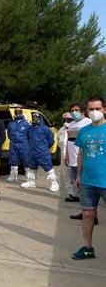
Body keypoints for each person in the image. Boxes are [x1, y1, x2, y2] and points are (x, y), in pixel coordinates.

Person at [71, 96, 106, 260]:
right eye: (91, 109)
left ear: (104, 109)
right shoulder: (84, 131)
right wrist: (78, 175)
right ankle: (87, 248)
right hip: (87, 181)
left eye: (97, 109)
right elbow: (81, 154)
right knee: (87, 214)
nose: (94, 112)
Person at [21, 112, 59, 192]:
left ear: (40, 118)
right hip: (32, 152)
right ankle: (31, 182)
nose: (35, 119)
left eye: (37, 117)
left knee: (48, 167)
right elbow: (28, 138)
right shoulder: (30, 129)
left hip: (42, 152)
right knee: (31, 168)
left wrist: (44, 147)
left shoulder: (45, 129)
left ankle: (54, 183)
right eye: (33, 117)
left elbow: (51, 141)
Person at [64, 103, 92, 202]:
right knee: (75, 178)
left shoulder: (88, 122)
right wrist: (66, 155)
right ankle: (78, 196)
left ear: (83, 112)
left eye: (77, 110)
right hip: (72, 158)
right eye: (72, 110)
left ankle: (86, 200)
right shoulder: (71, 124)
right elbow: (68, 141)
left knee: (84, 179)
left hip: (83, 157)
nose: (74, 112)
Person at [6, 107, 31, 183]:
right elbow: (9, 134)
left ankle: (29, 179)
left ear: (22, 112)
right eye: (16, 112)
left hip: (24, 145)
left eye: (19, 112)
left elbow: (29, 135)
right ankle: (13, 177)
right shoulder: (11, 123)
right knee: (13, 160)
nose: (17, 113)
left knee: (26, 161)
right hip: (13, 144)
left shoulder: (26, 123)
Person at [58, 112, 73, 196]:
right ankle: (71, 193)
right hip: (64, 156)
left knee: (75, 175)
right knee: (66, 174)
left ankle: (78, 193)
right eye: (65, 119)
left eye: (69, 119)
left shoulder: (76, 128)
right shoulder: (61, 130)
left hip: (74, 156)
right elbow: (59, 143)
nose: (67, 120)